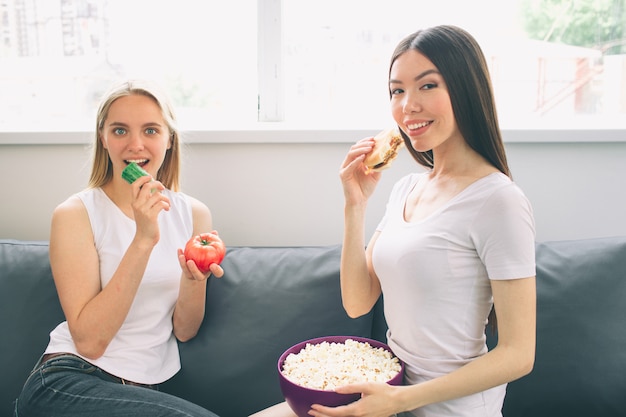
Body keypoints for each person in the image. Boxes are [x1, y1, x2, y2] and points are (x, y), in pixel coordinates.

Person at [253, 24, 536, 417]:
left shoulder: (499, 200)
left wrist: (400, 400)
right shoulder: (405, 188)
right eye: (397, 90)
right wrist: (355, 206)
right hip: (387, 396)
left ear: (466, 88)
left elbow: (519, 355)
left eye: (427, 86)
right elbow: (357, 303)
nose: (407, 106)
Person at [14, 79, 223, 417]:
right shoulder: (75, 214)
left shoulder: (193, 214)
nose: (135, 145)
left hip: (141, 391)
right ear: (103, 138)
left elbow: (185, 331)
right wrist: (143, 239)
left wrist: (193, 281)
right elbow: (90, 342)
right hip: (68, 381)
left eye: (151, 131)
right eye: (120, 130)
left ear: (169, 139)